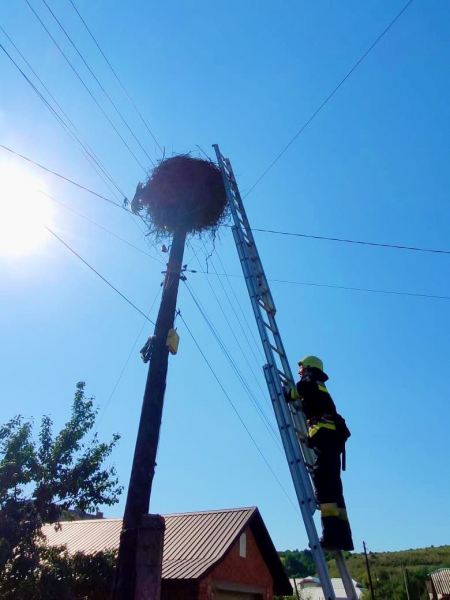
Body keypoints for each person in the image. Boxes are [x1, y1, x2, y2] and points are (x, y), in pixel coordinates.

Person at [286, 355, 354, 552]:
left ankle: (331, 536)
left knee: (323, 481)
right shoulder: (320, 387)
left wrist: (286, 393)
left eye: (300, 368)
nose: (299, 372)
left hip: (326, 440)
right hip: (330, 441)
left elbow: (299, 390)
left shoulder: (311, 381)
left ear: (308, 368)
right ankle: (344, 538)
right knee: (334, 489)